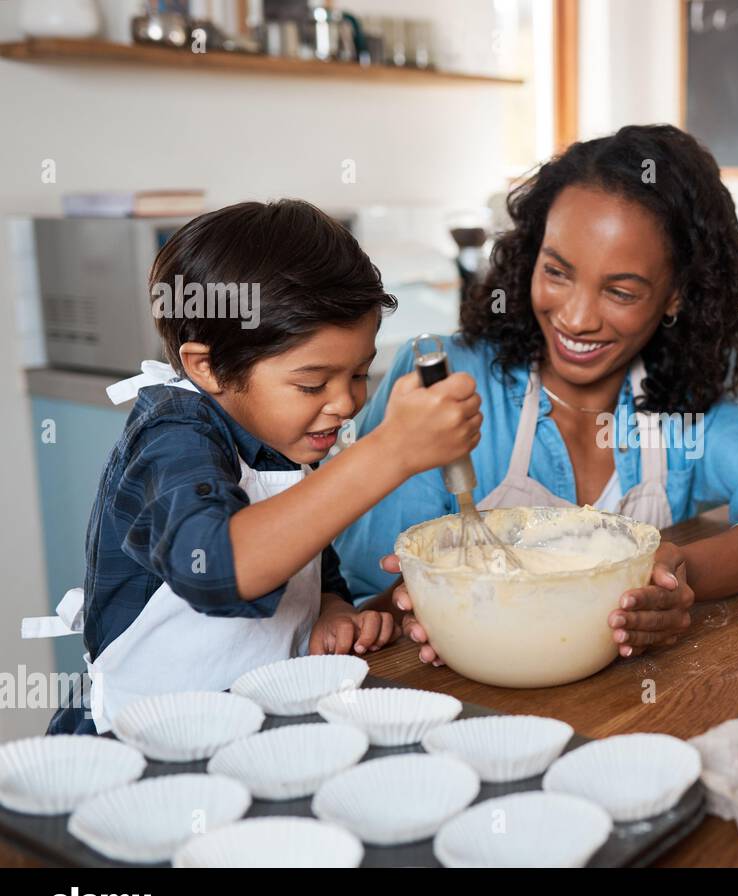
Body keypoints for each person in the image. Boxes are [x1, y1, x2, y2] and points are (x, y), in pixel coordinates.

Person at [337, 125, 738, 665]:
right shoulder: (444, 382)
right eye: (557, 272)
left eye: (620, 291)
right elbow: (365, 598)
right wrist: (421, 603)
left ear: (676, 295)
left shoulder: (679, 409)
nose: (577, 318)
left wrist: (683, 577)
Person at [26, 200, 482, 733]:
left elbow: (312, 557)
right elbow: (221, 565)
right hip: (139, 740)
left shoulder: (284, 435)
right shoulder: (172, 437)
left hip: (252, 727)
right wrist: (389, 452)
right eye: (313, 383)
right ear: (208, 366)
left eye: (358, 374)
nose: (346, 402)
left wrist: (333, 610)